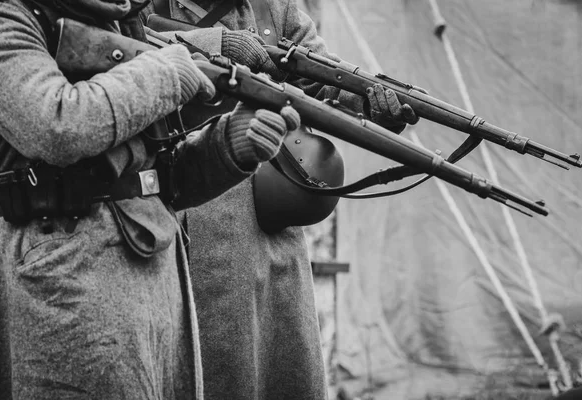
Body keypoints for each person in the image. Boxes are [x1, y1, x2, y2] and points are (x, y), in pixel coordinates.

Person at [0, 0, 301, 398]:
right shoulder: (5, 14)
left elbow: (157, 179)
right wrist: (165, 72)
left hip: (159, 291)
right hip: (61, 291)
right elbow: (57, 126)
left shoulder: (118, 20)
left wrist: (231, 144)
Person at [140, 1, 419, 399]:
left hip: (277, 213)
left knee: (286, 365)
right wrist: (217, 42)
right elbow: (129, 52)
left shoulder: (275, 8)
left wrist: (371, 102)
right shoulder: (147, 5)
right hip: (199, 215)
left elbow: (321, 73)